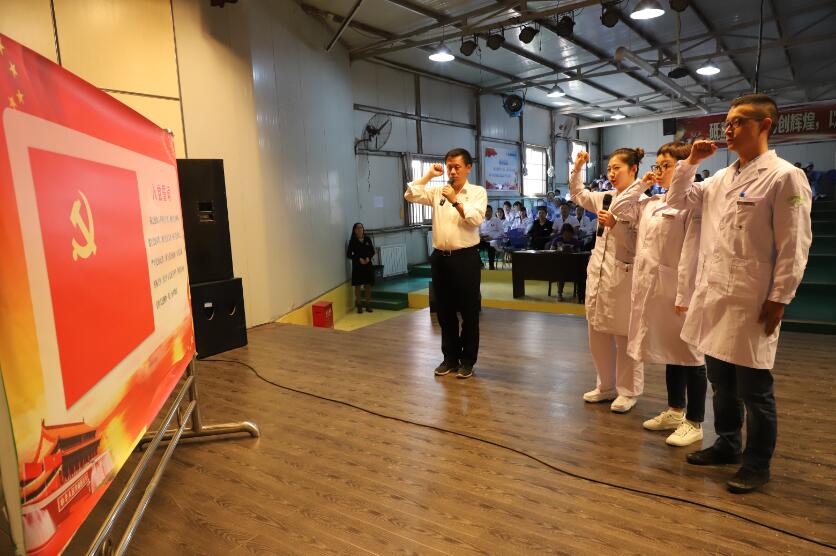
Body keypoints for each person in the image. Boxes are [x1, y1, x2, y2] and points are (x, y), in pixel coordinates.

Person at [666, 93, 812, 493]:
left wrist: (780, 297)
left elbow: (795, 245)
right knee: (721, 383)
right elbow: (677, 199)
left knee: (754, 390)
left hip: (752, 298)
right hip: (715, 297)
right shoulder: (720, 178)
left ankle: (757, 463)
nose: (729, 129)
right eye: (727, 122)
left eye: (739, 122)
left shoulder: (784, 176)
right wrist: (690, 162)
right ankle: (727, 444)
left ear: (764, 125)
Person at [609, 142, 706, 447]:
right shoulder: (650, 203)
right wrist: (642, 184)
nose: (660, 171)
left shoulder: (692, 205)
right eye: (658, 166)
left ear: (684, 168)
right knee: (670, 352)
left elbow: (692, 253)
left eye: (667, 166)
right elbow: (618, 209)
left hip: (679, 291)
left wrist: (685, 295)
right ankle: (675, 411)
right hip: (653, 291)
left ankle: (695, 421)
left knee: (691, 354)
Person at [571, 148, 644, 413]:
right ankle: (605, 385)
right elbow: (578, 194)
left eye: (617, 168)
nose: (612, 173)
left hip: (624, 276)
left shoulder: (643, 201)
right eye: (610, 168)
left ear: (633, 169)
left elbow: (638, 245)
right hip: (598, 274)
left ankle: (628, 391)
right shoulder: (606, 197)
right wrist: (578, 167)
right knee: (597, 332)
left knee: (625, 337)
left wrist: (616, 225)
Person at [404, 148, 487, 379]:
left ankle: (467, 361)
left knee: (469, 312)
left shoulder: (477, 192)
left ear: (468, 167)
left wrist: (455, 201)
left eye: (457, 167)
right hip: (440, 258)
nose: (452, 171)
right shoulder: (438, 191)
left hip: (466, 258)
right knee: (445, 312)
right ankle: (450, 358)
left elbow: (475, 219)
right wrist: (429, 175)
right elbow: (410, 194)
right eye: (449, 167)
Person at [346, 222, 375, 313]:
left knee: (367, 286)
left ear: (363, 229)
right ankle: (359, 305)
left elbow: (372, 251)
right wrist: (358, 259)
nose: (360, 229)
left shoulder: (367, 239)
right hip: (357, 266)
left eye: (361, 228)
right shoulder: (352, 241)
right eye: (358, 228)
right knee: (358, 286)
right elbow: (349, 254)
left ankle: (368, 305)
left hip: (367, 265)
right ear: (354, 230)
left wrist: (368, 258)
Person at [479, 205, 504, 269]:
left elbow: (501, 232)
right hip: (483, 240)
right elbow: (478, 232)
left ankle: (491, 266)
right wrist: (481, 236)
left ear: (492, 212)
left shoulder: (497, 220)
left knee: (491, 245)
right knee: (472, 246)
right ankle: (480, 263)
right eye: (485, 211)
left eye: (489, 211)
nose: (487, 213)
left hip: (493, 240)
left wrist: (492, 237)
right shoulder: (481, 221)